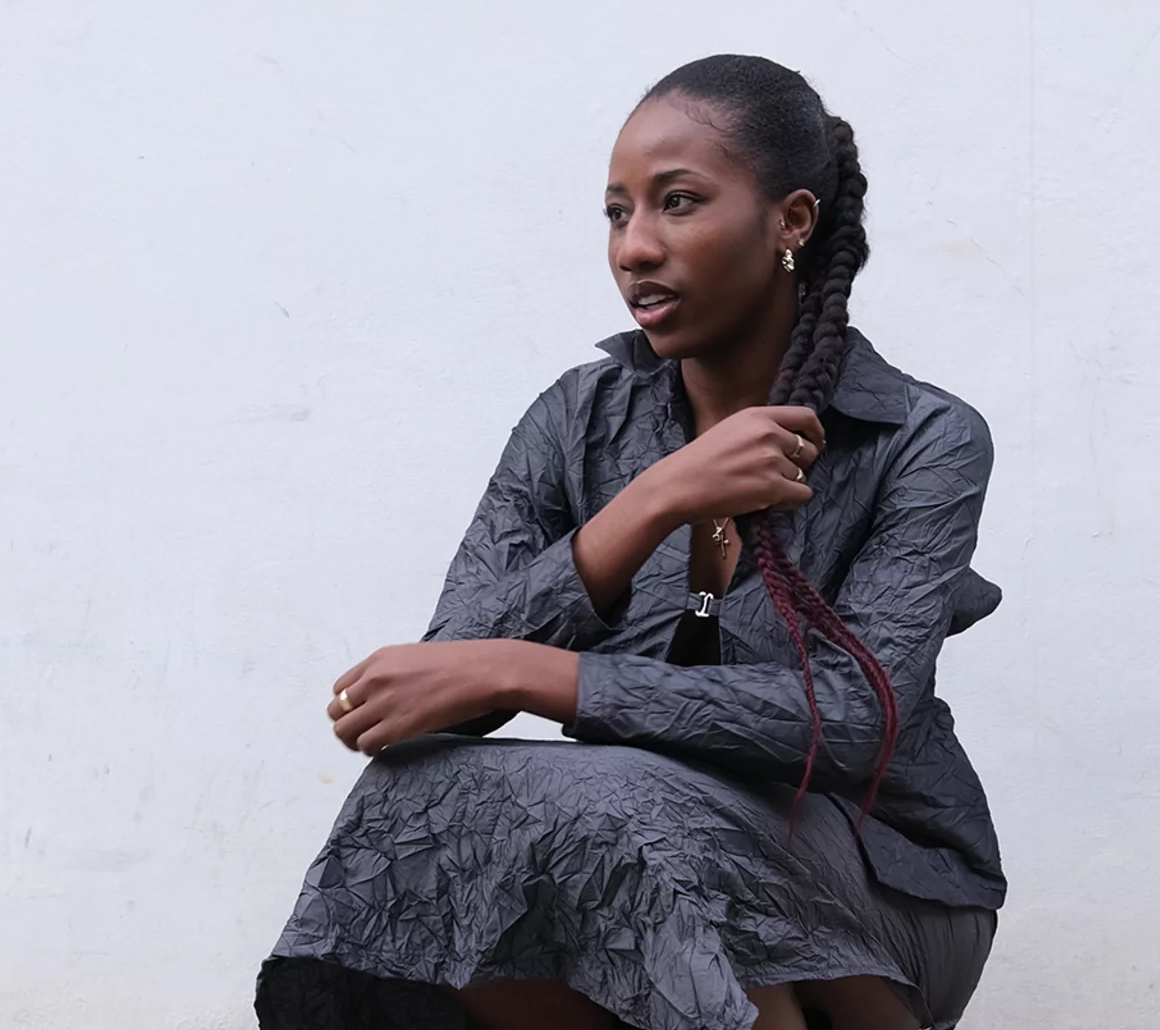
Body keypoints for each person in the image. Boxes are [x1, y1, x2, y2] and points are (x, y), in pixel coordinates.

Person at [255, 53, 1005, 1030]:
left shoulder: (921, 438)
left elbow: (856, 721)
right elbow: (449, 684)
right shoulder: (578, 422)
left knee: (642, 823)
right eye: (618, 213)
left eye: (678, 203)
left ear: (791, 222)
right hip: (643, 851)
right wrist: (650, 502)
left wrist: (543, 676)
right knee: (433, 795)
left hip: (884, 877)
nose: (635, 248)